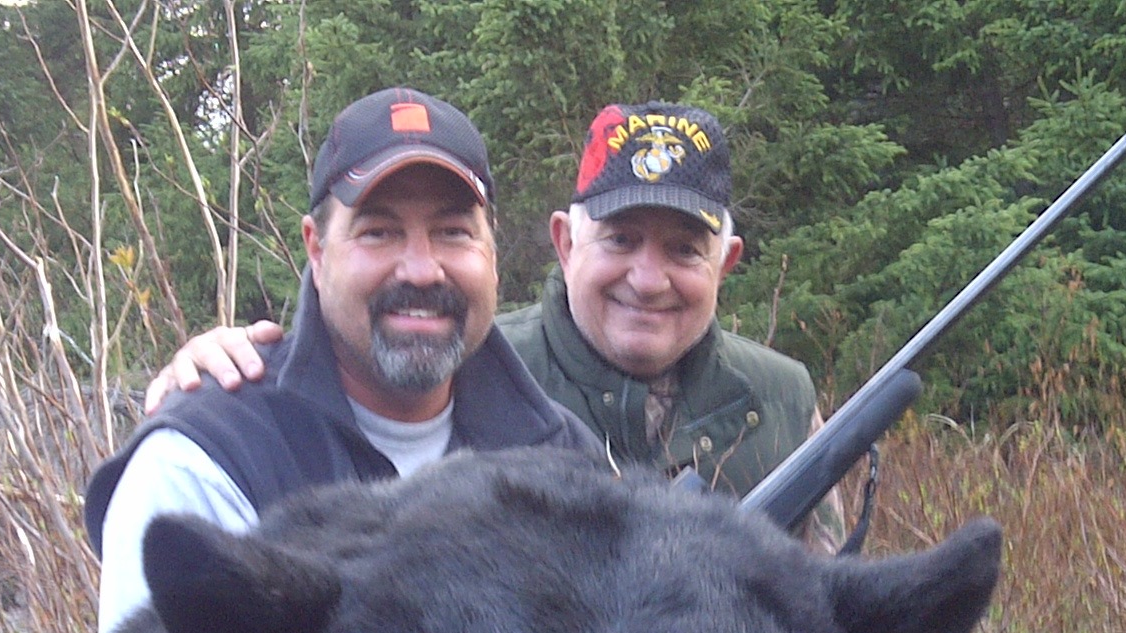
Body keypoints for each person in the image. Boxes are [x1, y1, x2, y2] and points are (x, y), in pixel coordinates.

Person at [150, 102, 840, 533]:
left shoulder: (781, 400)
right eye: (622, 240)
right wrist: (208, 402)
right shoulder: (505, 382)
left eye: (684, 249)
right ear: (565, 243)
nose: (648, 278)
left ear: (727, 262)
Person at [87, 87, 598, 633]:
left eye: (453, 232)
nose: (422, 269)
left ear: (491, 252)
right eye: (379, 232)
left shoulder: (563, 459)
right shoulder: (205, 463)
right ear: (317, 248)